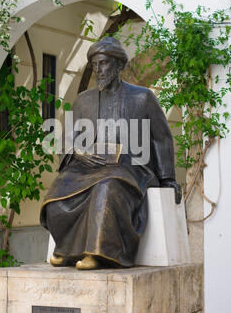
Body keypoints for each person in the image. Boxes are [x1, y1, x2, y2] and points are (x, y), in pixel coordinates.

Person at [40, 37, 181, 270]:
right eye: (94, 65)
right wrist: (79, 153)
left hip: (132, 166)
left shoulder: (142, 97)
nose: (98, 70)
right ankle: (66, 250)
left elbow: (161, 138)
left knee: (106, 188)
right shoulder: (83, 101)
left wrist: (168, 179)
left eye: (103, 63)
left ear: (118, 65)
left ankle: (97, 253)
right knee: (59, 191)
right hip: (89, 166)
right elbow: (68, 141)